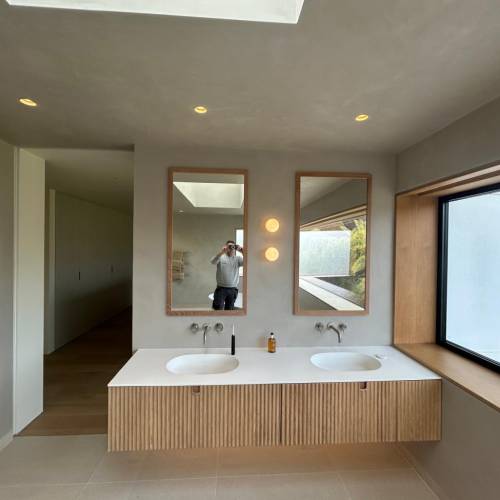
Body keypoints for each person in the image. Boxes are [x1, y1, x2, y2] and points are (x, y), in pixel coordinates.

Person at [210, 240, 244, 310]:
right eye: (229, 246)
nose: (231, 248)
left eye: (233, 246)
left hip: (233, 289)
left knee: (229, 310)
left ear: (235, 248)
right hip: (221, 289)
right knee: (217, 309)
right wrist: (222, 252)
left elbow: (248, 262)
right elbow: (213, 261)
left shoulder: (238, 259)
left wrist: (242, 251)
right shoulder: (221, 257)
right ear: (226, 247)